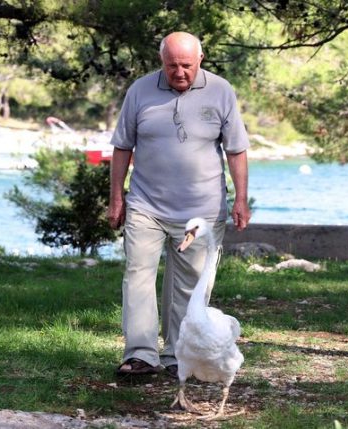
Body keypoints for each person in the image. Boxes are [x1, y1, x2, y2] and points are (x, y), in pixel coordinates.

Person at [108, 31, 251, 376]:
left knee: (190, 284)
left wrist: (241, 199)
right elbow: (122, 147)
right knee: (139, 275)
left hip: (201, 210)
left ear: (200, 59)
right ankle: (141, 354)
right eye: (172, 65)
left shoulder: (221, 91)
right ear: (162, 61)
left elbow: (236, 150)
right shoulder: (140, 91)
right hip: (146, 204)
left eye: (186, 65)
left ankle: (177, 356)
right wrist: (116, 197)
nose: (179, 72)